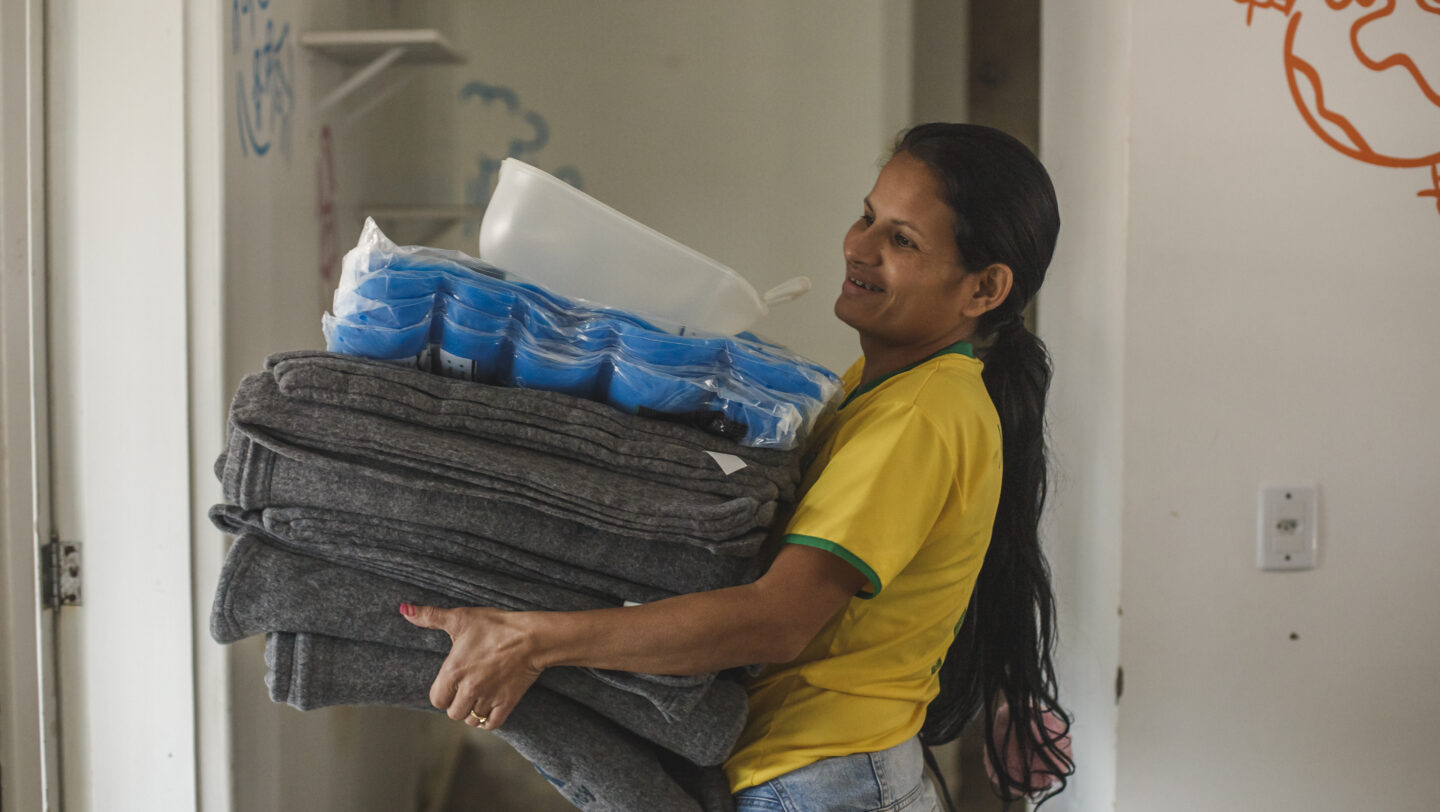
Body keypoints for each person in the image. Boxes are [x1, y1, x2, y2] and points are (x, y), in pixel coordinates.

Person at [400, 122, 1074, 809]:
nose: (858, 247)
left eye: (902, 240)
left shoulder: (921, 417)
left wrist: (533, 641)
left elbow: (774, 620)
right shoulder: (894, 389)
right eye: (868, 217)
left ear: (984, 288)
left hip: (825, 783)